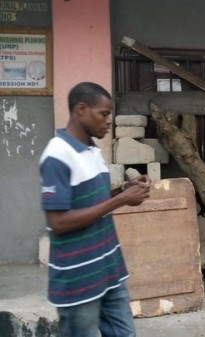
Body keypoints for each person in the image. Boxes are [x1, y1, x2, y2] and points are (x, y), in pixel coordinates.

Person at [39, 82, 151, 336]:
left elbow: (92, 201)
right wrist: (120, 201)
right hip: (79, 282)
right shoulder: (57, 156)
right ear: (81, 110)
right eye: (103, 113)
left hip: (109, 271)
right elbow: (59, 221)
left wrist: (123, 190)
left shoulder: (92, 149)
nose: (109, 120)